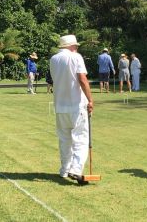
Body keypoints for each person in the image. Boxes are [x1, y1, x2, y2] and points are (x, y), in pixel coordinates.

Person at [50, 35, 93, 186]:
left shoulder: (54, 59)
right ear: (71, 46)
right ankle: (75, 169)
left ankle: (64, 170)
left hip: (60, 106)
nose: (77, 47)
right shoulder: (76, 57)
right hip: (76, 106)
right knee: (80, 139)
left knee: (64, 140)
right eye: (75, 45)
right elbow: (82, 78)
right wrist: (90, 99)